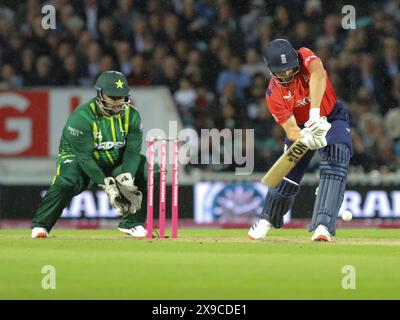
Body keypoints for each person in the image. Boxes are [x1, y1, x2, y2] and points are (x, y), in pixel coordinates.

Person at [248, 39, 352, 241]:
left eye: (290, 69)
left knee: (336, 161)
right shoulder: (273, 95)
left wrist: (315, 115)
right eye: (281, 71)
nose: (287, 74)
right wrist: (307, 136)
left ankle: (323, 225)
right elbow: (290, 129)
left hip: (331, 116)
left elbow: (318, 75)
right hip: (302, 129)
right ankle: (266, 219)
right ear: (270, 70)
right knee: (288, 174)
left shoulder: (305, 55)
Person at [31, 71, 156, 239]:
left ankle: (132, 223)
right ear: (99, 94)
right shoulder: (81, 118)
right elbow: (85, 158)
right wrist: (108, 186)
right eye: (112, 97)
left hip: (114, 161)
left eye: (122, 97)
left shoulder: (132, 116)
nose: (118, 102)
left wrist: (127, 178)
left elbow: (132, 152)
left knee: (150, 170)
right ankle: (41, 226)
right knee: (67, 180)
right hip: (79, 163)